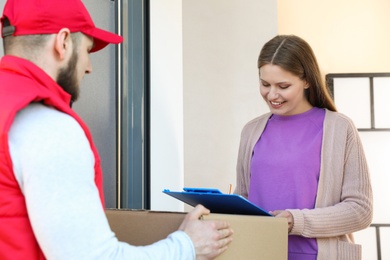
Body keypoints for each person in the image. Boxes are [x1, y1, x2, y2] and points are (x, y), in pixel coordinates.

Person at [0, 0, 233, 259]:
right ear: (63, 42)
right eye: (87, 50)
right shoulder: (49, 128)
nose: (89, 66)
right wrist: (188, 246)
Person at [234, 35, 373, 260]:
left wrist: (295, 220)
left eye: (283, 86)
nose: (272, 95)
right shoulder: (251, 131)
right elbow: (243, 199)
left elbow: (360, 211)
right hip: (258, 253)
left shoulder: (339, 128)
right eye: (265, 84)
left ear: (307, 80)